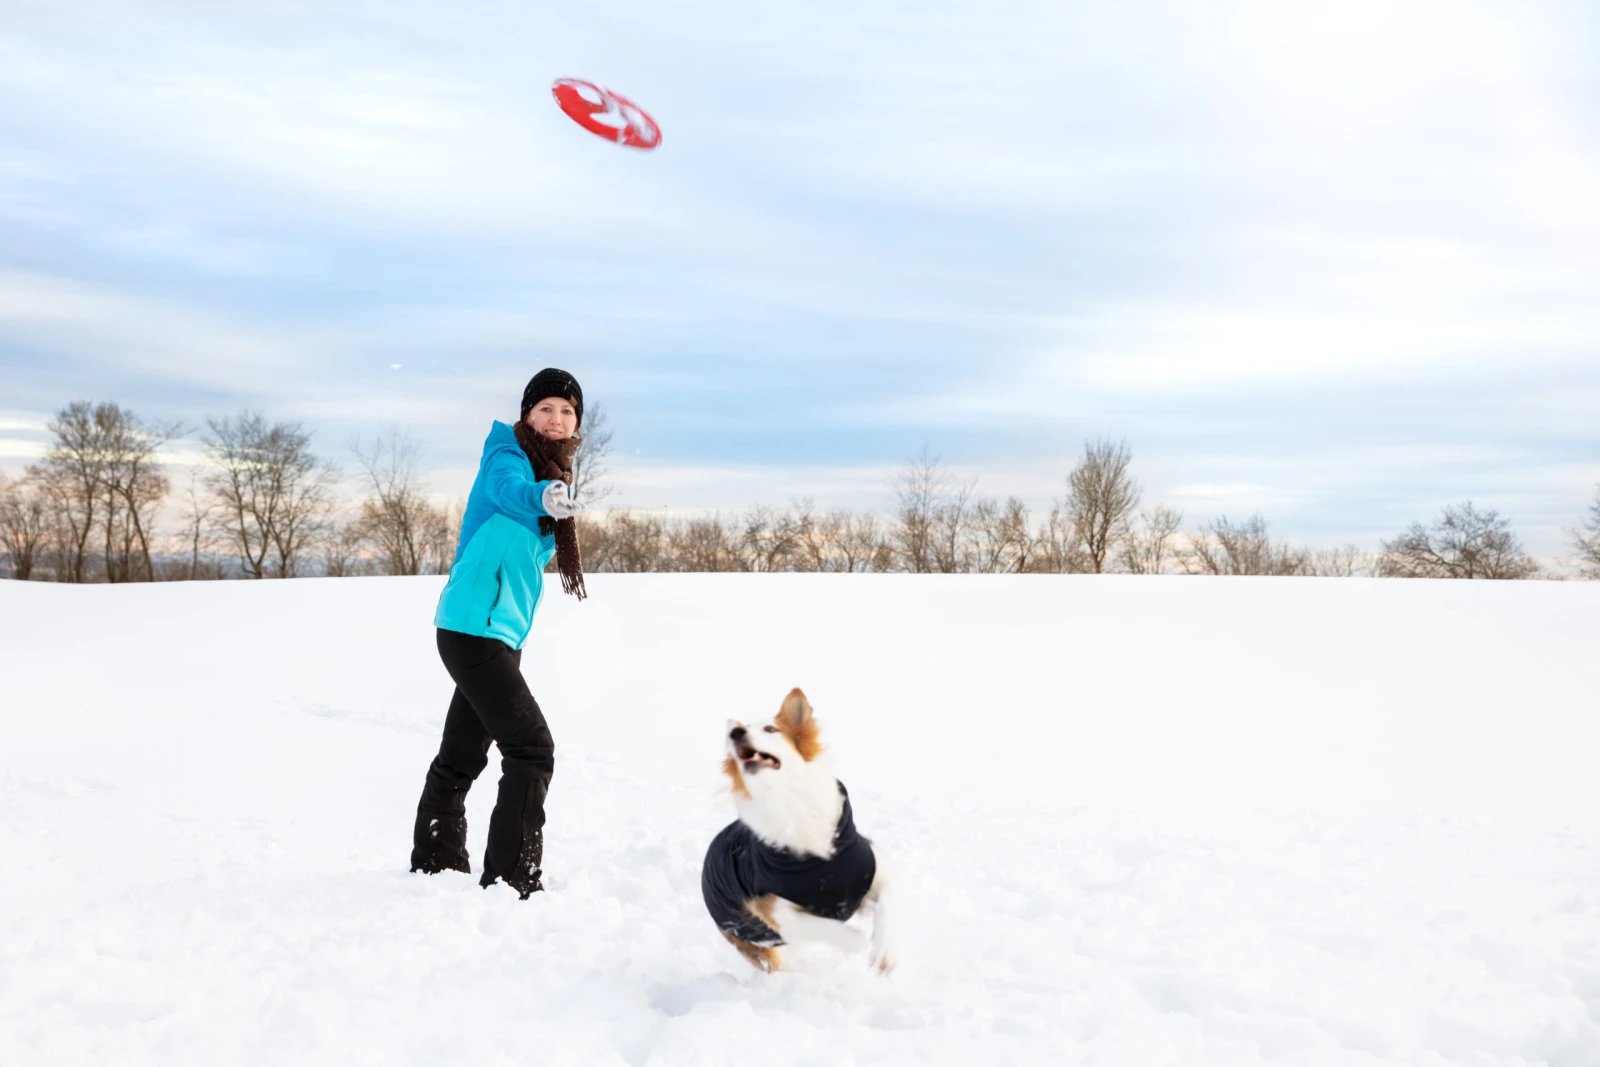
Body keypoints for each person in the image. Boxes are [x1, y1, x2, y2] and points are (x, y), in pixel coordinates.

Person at [410, 368, 588, 897]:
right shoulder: (507, 455)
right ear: (527, 415)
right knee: (532, 749)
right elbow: (511, 492)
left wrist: (552, 494)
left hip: (497, 634)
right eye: (546, 409)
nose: (556, 420)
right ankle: (513, 880)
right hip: (472, 629)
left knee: (462, 754)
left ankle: (435, 864)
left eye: (568, 411)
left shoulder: (553, 470)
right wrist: (545, 497)